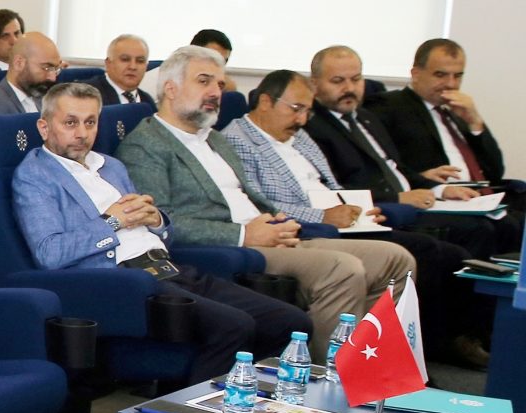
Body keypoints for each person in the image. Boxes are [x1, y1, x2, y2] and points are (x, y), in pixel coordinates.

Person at [116, 46, 415, 363]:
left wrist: (278, 221)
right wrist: (245, 235)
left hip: (273, 233)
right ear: (170, 88)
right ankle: (327, 374)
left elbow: (252, 197)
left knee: (396, 260)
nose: (215, 91)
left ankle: (370, 362)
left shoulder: (214, 138)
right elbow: (160, 221)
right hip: (232, 248)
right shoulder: (146, 145)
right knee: (343, 270)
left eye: (220, 84)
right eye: (204, 81)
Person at [13, 82, 312, 383]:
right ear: (44, 127)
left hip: (169, 268)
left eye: (90, 122)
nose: (81, 133)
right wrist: (112, 221)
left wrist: (156, 219)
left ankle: (259, 401)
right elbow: (50, 254)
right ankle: (197, 410)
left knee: (291, 322)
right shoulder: (35, 176)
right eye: (70, 123)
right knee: (234, 326)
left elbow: (157, 229)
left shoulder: (111, 166)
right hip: (123, 282)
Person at [223, 69, 489, 368]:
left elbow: (332, 185)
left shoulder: (299, 136)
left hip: (339, 220)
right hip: (302, 227)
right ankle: (338, 368)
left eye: (308, 111)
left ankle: (376, 361)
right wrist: (324, 216)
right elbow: (262, 204)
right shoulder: (236, 140)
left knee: (401, 260)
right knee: (413, 253)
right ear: (265, 102)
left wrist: (360, 207)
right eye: (296, 109)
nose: (302, 119)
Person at [306, 45, 521, 259]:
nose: (349, 88)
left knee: (506, 223)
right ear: (314, 84)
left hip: (418, 201)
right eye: (338, 81)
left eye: (356, 79)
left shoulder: (365, 118)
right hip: (385, 209)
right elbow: (334, 187)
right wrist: (399, 197)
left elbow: (397, 169)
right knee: (476, 230)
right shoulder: (313, 126)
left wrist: (440, 189)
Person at [364, 39, 526, 216]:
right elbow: (380, 165)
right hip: (439, 201)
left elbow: (495, 172)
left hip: (482, 198)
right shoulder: (387, 107)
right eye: (440, 75)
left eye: (458, 76)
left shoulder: (456, 111)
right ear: (416, 73)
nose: (451, 84)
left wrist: (475, 122)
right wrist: (421, 177)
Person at [0, 32, 61, 115]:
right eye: (46, 68)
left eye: (56, 69)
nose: (53, 78)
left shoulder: (43, 97)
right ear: (19, 63)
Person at [81, 34, 155, 107]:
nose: (133, 67)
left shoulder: (147, 101)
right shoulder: (85, 95)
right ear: (108, 63)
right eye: (125, 59)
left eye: (140, 61)